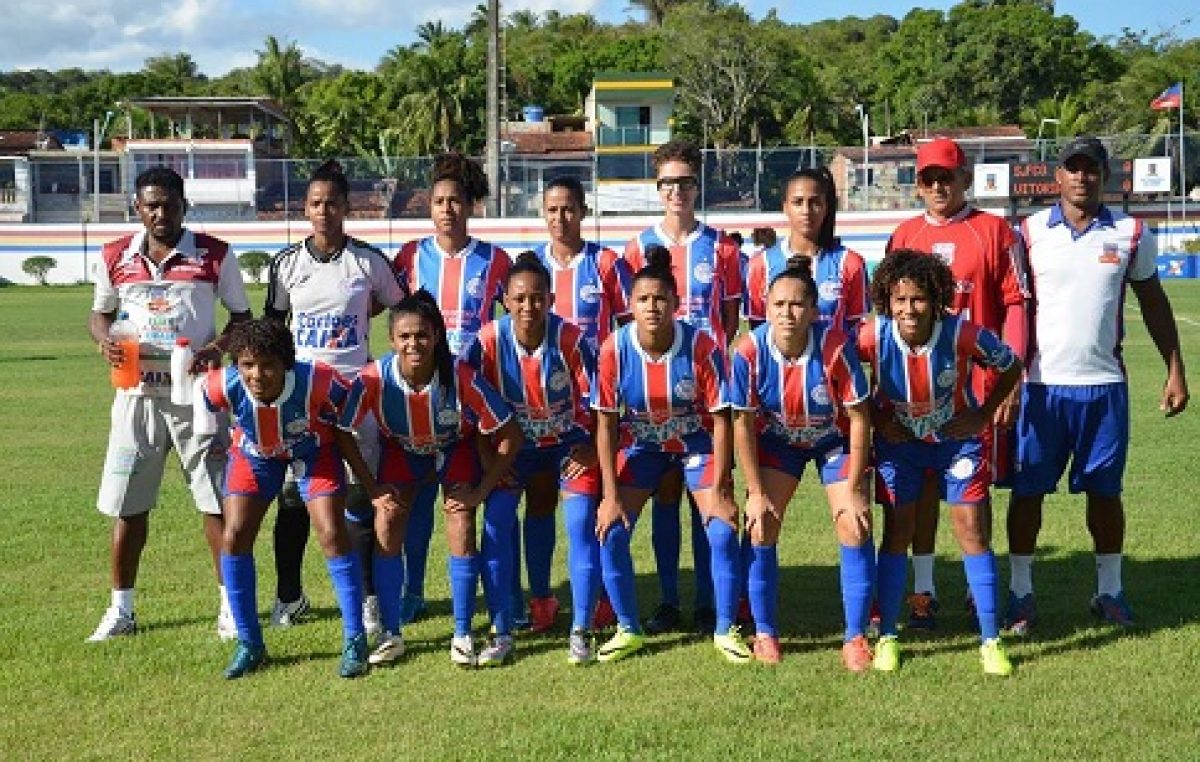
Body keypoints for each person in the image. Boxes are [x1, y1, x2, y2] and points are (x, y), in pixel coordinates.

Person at [1006, 137, 1189, 631]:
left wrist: (1175, 368)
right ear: (1057, 176)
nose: (1082, 177)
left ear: (1105, 176)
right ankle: (1020, 595)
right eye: (1073, 168)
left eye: (1091, 169)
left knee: (1105, 494)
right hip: (1040, 388)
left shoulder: (1131, 233)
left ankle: (1109, 592)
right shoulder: (1027, 232)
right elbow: (1010, 307)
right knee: (1028, 492)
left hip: (1104, 386)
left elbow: (1153, 304)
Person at [87, 166, 251, 642]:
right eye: (150, 205)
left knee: (216, 502)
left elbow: (241, 319)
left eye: (168, 203)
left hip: (196, 398)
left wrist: (215, 351)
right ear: (138, 208)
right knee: (128, 506)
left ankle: (230, 607)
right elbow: (100, 316)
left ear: (184, 204)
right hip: (135, 396)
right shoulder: (117, 255)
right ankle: (122, 610)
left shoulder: (215, 255)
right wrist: (105, 342)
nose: (159, 213)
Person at [883, 137, 1028, 629]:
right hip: (913, 396)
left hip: (973, 391)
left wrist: (1009, 386)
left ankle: (974, 591)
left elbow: (1014, 304)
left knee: (972, 495)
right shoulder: (903, 235)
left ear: (965, 177)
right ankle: (922, 592)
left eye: (947, 176)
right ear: (918, 185)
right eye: (929, 178)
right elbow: (886, 320)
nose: (939, 185)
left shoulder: (995, 231)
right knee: (918, 491)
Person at [858, 251, 1023, 676]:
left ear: (936, 300)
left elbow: (1011, 364)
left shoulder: (962, 333)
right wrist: (878, 417)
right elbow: (839, 368)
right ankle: (889, 637)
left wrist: (983, 414)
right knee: (898, 531)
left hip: (957, 444)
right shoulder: (872, 336)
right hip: (901, 446)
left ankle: (990, 640)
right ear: (886, 301)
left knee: (970, 528)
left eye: (918, 300)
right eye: (899, 300)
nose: (908, 309)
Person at [340, 292, 523, 666]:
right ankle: (392, 633)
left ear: (436, 336)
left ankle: (461, 633)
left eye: (422, 335)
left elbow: (510, 434)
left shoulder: (460, 377)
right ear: (391, 340)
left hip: (454, 448)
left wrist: (481, 491)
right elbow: (342, 430)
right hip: (402, 452)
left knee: (460, 518)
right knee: (388, 520)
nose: (413, 344)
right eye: (404, 337)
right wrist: (372, 489)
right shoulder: (374, 378)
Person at [264, 160, 407, 634]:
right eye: (316, 203)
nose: (324, 211)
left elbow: (400, 304)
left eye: (333, 203)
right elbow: (272, 328)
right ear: (305, 209)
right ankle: (289, 597)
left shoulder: (367, 261)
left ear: (347, 208)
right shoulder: (287, 264)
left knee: (356, 496)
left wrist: (366, 318)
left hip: (354, 397)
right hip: (302, 397)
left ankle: (366, 598)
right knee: (293, 499)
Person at [199, 318, 389, 679]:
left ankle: (355, 639)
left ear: (287, 363)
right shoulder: (223, 384)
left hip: (313, 451)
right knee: (235, 534)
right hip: (256, 454)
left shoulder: (318, 379)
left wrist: (366, 480)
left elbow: (345, 417)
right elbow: (202, 401)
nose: (257, 374)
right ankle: (250, 643)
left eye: (268, 364)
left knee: (331, 532)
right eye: (247, 364)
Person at [592, 246, 746, 664]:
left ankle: (725, 628)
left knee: (720, 527)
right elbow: (605, 424)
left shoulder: (702, 347)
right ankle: (629, 628)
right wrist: (609, 495)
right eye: (643, 299)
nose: (652, 307)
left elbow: (721, 420)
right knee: (612, 527)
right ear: (630, 304)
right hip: (642, 445)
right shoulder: (613, 350)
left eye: (661, 299)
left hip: (695, 443)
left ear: (677, 304)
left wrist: (721, 488)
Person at [728, 257, 874, 668]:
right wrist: (755, 493)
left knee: (853, 521)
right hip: (780, 443)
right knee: (760, 524)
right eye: (778, 305)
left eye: (796, 306)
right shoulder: (747, 351)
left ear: (813, 311)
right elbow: (742, 422)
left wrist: (859, 488)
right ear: (765, 306)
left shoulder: (835, 348)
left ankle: (856, 637)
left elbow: (860, 417)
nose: (787, 314)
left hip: (834, 441)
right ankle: (765, 634)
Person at [623, 139, 743, 636]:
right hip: (654, 400)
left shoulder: (723, 248)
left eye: (686, 182)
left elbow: (730, 319)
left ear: (698, 186)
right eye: (669, 183)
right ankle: (670, 598)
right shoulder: (634, 249)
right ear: (658, 189)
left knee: (709, 495)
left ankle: (707, 602)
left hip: (705, 398)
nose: (678, 191)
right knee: (666, 495)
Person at [463, 252, 602, 663]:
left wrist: (592, 446)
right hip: (512, 451)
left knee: (578, 524)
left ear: (552, 298)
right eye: (520, 298)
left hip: (565, 447)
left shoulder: (572, 340)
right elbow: (469, 410)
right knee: (496, 522)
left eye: (537, 298)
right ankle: (503, 630)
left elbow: (601, 402)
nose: (529, 307)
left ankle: (578, 627)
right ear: (505, 299)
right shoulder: (486, 342)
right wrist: (489, 460)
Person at [394, 152, 511, 627]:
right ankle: (413, 591)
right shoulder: (409, 257)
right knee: (420, 498)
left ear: (470, 206)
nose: (447, 209)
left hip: (474, 399)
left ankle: (498, 594)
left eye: (456, 201)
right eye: (439, 201)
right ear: (429, 207)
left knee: (473, 499)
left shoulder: (495, 260)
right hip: (420, 396)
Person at [525, 175, 631, 632]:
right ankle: (543, 598)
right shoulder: (529, 268)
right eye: (552, 209)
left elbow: (628, 336)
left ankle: (602, 596)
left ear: (583, 212)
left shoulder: (605, 264)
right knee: (540, 502)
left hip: (593, 410)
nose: (560, 217)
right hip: (539, 411)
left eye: (568, 208)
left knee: (587, 509)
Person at [744, 167, 870, 335]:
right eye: (798, 202)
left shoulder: (851, 263)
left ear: (826, 207)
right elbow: (758, 330)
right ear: (785, 207)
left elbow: (856, 328)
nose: (806, 211)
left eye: (815, 202)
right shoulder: (759, 265)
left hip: (833, 361)